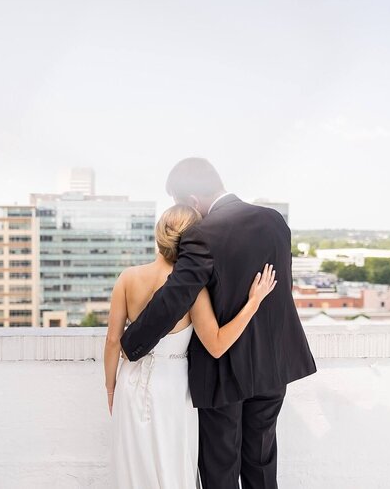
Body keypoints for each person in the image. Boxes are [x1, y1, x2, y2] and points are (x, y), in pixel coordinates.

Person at [120, 158, 317, 489]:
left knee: (220, 472)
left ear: (193, 201)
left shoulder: (202, 236)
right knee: (262, 468)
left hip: (225, 373)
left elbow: (174, 298)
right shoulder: (274, 221)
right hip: (273, 368)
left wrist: (131, 344)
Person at [105, 204, 277, 488]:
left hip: (129, 382)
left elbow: (113, 341)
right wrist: (253, 302)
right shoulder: (192, 289)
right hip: (173, 388)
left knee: (133, 468)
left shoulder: (128, 277)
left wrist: (110, 387)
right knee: (173, 466)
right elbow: (218, 344)